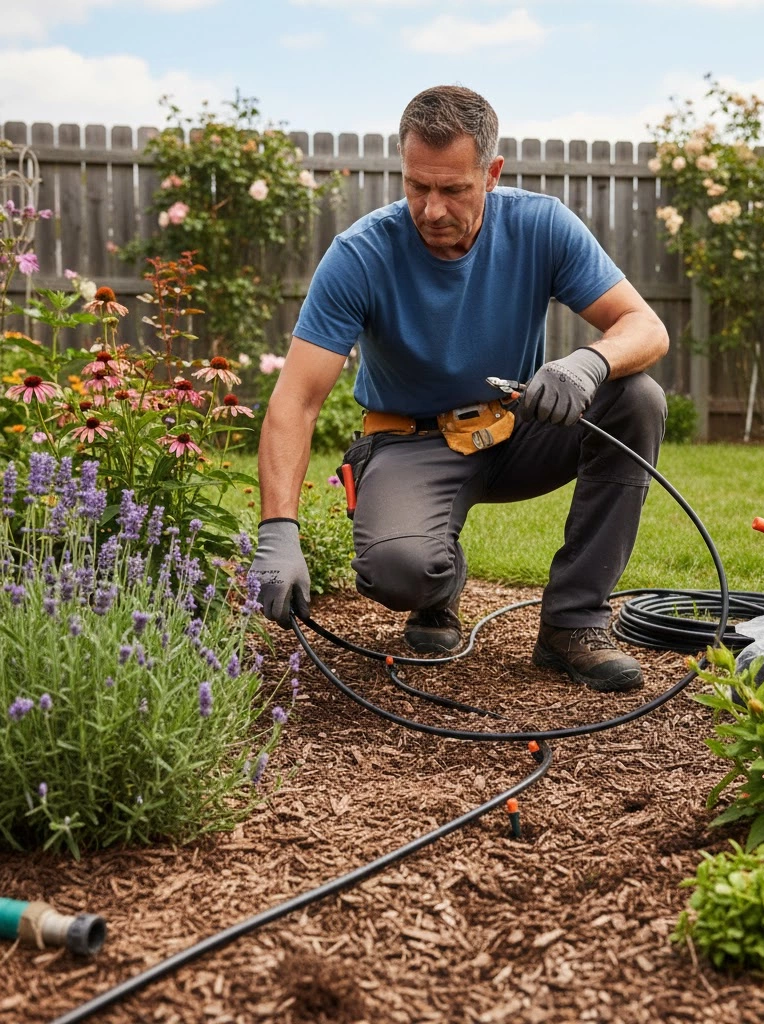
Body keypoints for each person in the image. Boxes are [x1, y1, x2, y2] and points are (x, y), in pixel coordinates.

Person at [250, 85, 669, 693]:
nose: (431, 210)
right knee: (398, 570)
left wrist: (587, 364)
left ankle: (573, 622)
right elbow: (296, 400)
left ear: (491, 174)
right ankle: (438, 583)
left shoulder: (540, 226)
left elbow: (645, 327)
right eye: (416, 186)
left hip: (519, 429)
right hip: (410, 443)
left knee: (636, 400)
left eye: (453, 189)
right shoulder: (361, 255)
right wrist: (278, 531)